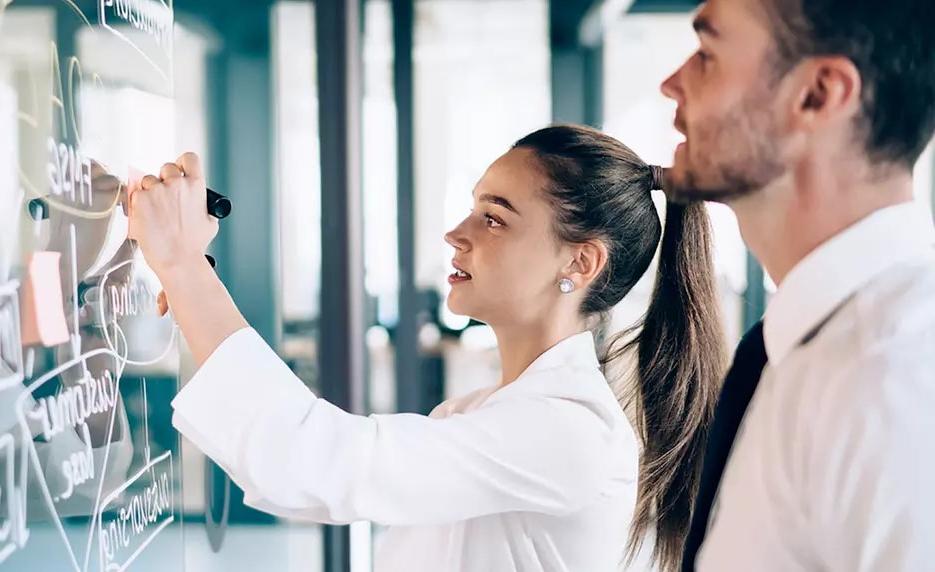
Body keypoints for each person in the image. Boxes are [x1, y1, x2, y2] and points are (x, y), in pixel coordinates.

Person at [127, 125, 727, 571]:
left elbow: (312, 460)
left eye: (494, 218)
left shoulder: (566, 431)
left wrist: (184, 268)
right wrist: (188, 288)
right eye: (473, 208)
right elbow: (308, 473)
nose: (456, 234)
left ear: (581, 261)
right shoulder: (478, 414)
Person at [659, 1, 935, 570]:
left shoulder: (893, 372)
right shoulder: (812, 351)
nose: (671, 84)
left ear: (817, 94)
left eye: (707, 56)